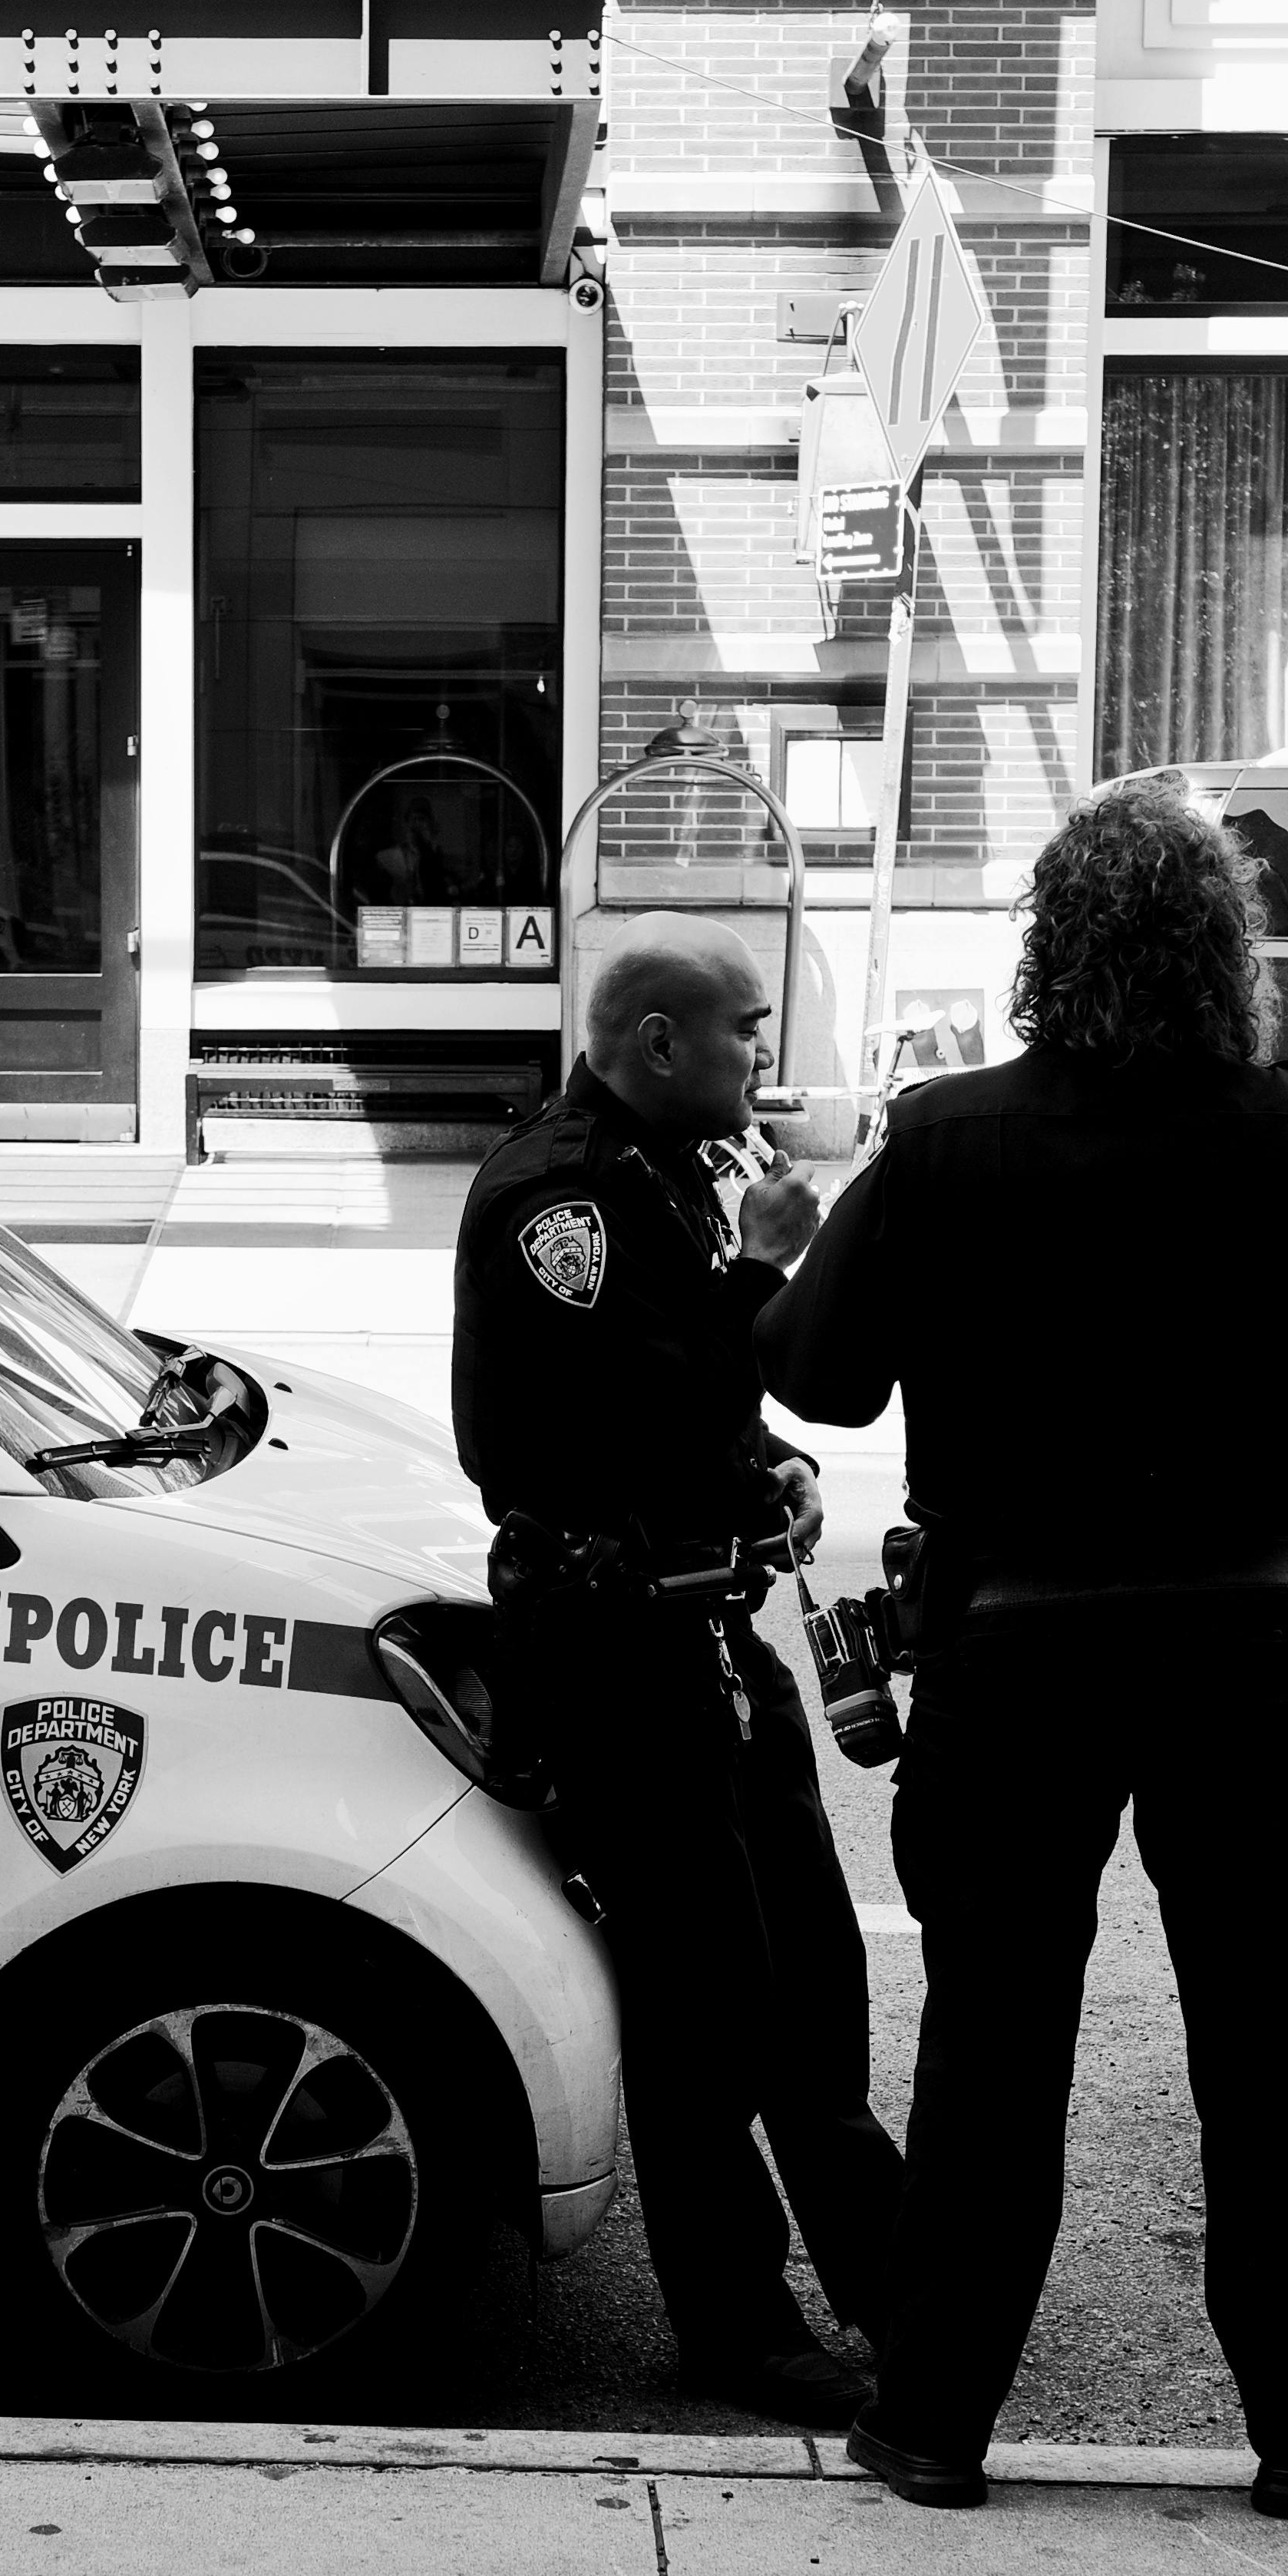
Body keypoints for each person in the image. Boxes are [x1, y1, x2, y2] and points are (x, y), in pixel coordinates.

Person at [752, 780, 1288, 2522]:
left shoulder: (943, 1139)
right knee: (1271, 2059)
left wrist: (782, 1257)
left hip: (1019, 1648)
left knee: (993, 2052)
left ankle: (934, 2421)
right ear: (1225, 953)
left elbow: (823, 1375)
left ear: (1045, 949)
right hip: (1248, 1642)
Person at [453, 916, 903, 2429]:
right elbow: (617, 1412)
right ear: (657, 1041)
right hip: (615, 1654)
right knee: (706, 2003)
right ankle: (736, 2322)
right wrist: (766, 1269)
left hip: (708, 1630)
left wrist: (767, 1468)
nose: (761, 1056)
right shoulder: (555, 1200)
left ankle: (893, 2276)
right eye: (746, 1029)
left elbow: (697, 1415)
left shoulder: (664, 1174)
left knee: (812, 1974)